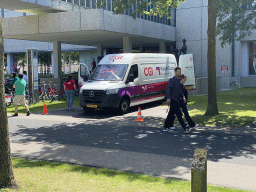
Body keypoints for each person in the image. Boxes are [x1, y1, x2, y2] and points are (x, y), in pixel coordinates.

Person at [164, 67, 190, 132]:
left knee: (171, 114)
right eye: (178, 72)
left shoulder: (178, 80)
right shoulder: (172, 80)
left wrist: (183, 97)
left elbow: (180, 90)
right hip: (173, 99)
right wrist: (168, 98)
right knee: (179, 114)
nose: (179, 73)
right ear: (175, 72)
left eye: (180, 72)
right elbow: (168, 89)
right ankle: (185, 127)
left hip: (177, 99)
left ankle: (166, 126)